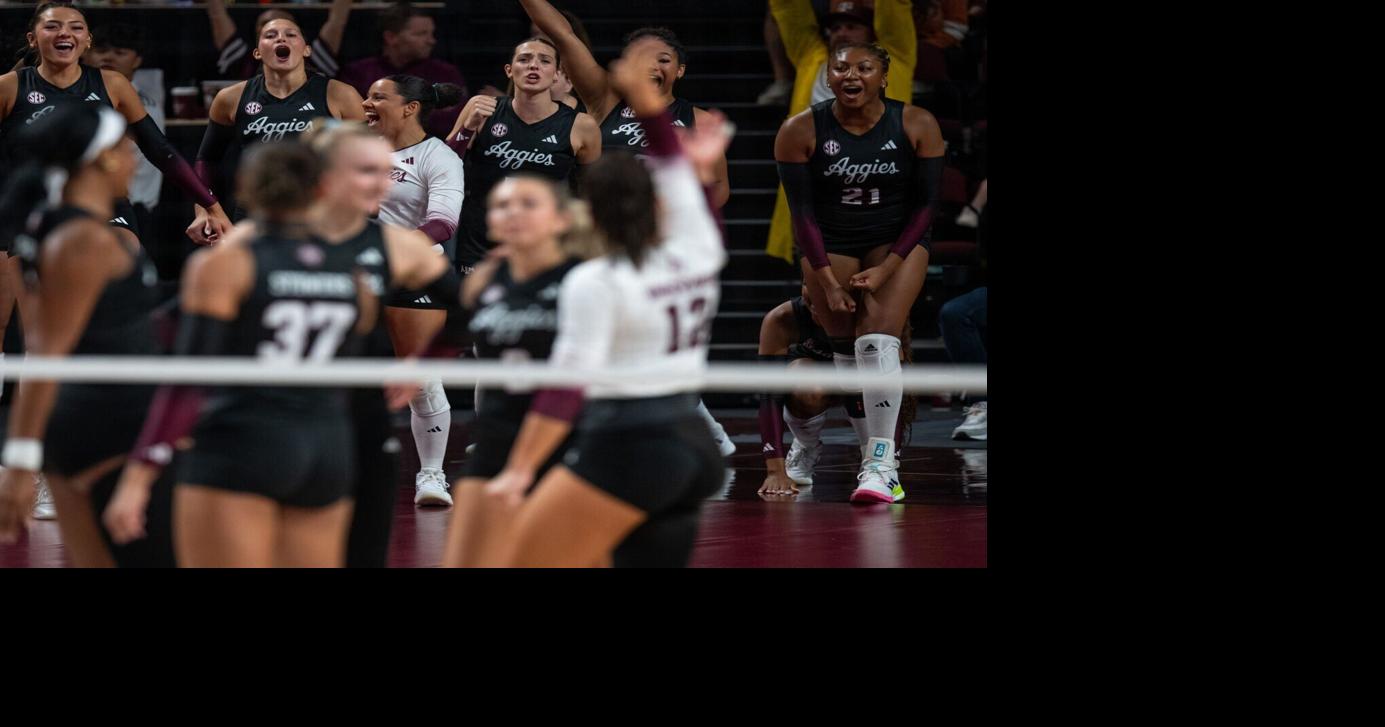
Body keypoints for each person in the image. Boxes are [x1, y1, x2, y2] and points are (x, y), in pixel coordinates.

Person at [104, 133, 456, 567]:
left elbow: (186, 377)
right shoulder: (376, 252)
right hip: (328, 444)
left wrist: (140, 472)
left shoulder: (231, 257)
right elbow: (470, 304)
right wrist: (423, 363)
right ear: (323, 184)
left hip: (244, 439)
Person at [476, 41, 729, 567]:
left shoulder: (595, 281)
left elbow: (566, 386)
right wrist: (654, 113)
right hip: (691, 443)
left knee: (524, 557)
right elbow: (685, 189)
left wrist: (520, 468)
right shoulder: (698, 250)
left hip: (628, 441)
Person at [0, 105, 173, 567]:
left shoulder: (58, 232)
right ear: (102, 158)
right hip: (109, 425)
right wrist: (19, 461)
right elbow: (45, 354)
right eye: (124, 147)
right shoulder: (84, 243)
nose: (135, 157)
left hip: (89, 424)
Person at [774, 41, 944, 503]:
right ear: (828, 77)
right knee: (848, 353)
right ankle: (866, 451)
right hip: (831, 240)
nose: (851, 75)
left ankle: (883, 463)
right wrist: (826, 282)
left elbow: (928, 206)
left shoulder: (916, 122)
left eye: (864, 68)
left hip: (897, 239)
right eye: (841, 68)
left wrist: (889, 268)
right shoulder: (799, 130)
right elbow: (802, 215)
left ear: (883, 77)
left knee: (877, 341)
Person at [440, 173, 591, 567]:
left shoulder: (584, 280)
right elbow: (453, 332)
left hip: (572, 441)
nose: (513, 213)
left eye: (528, 204)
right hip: (497, 435)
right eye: (502, 205)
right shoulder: (486, 279)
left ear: (560, 220)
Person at [362, 73, 466, 505]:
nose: (366, 103)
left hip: (413, 274)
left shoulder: (436, 155)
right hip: (357, 275)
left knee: (419, 377)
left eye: (378, 97)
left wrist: (393, 253)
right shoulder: (358, 150)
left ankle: (431, 475)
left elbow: (443, 223)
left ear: (410, 108)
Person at [519, 0, 730, 208]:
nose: (652, 66)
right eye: (641, 59)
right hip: (603, 225)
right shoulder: (605, 98)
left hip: (662, 229)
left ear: (680, 70)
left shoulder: (700, 119)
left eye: (663, 60)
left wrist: (673, 217)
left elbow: (719, 187)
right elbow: (562, 35)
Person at [764, 0, 916, 263]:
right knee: (823, 290)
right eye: (835, 28)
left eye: (852, 26)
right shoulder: (811, 58)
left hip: (881, 191)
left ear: (871, 32)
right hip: (819, 189)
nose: (842, 33)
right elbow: (789, 10)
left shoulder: (894, 57)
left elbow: (895, 10)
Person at [191, 17, 366, 239]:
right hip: (255, 213)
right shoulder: (230, 98)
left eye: (291, 34)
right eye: (270, 35)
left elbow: (367, 157)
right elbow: (207, 160)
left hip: (318, 212)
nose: (281, 38)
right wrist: (204, 211)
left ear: (306, 50)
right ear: (257, 52)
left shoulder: (341, 95)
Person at [445, 37, 600, 274]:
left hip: (545, 242)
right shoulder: (482, 108)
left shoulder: (582, 125)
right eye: (524, 59)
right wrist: (468, 128)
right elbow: (445, 165)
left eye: (544, 61)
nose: (533, 65)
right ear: (509, 70)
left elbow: (591, 188)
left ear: (557, 74)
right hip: (480, 240)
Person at [756, 286, 913, 498]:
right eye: (815, 306)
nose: (821, 314)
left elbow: (893, 394)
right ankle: (806, 444)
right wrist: (775, 470)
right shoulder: (782, 319)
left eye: (829, 308)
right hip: (815, 380)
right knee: (806, 383)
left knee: (863, 375)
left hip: (860, 384)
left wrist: (889, 460)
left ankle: (875, 463)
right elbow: (768, 394)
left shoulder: (876, 320)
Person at [337, 2, 469, 140]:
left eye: (431, 33)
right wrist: (423, 111)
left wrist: (385, 114)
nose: (431, 41)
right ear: (391, 37)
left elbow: (455, 120)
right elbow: (349, 120)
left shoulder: (446, 73)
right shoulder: (358, 73)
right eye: (421, 34)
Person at [205, 0, 352, 80]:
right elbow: (217, 15)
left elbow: (337, 20)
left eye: (288, 31)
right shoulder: (243, 63)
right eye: (269, 32)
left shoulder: (314, 61)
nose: (279, 35)